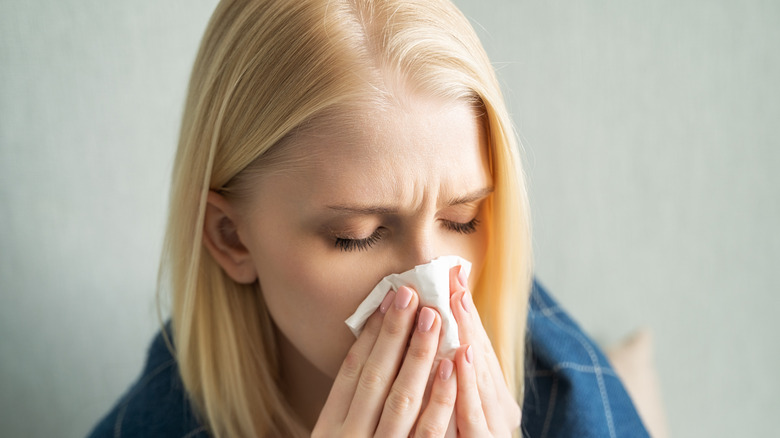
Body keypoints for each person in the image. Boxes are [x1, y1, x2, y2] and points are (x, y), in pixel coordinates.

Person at [89, 0, 648, 436]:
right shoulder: (162, 419)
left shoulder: (568, 393)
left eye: (462, 220)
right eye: (356, 236)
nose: (431, 282)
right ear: (231, 238)